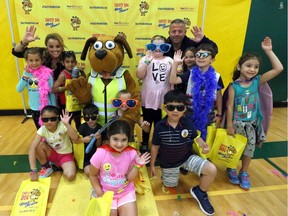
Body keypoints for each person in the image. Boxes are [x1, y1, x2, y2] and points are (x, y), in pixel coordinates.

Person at [226, 37, 283, 190]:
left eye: (256, 67)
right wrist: (229, 126)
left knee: (249, 149)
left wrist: (269, 51)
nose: (252, 69)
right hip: (237, 124)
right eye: (248, 66)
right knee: (234, 148)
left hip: (252, 124)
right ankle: (231, 167)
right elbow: (230, 107)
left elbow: (278, 69)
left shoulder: (258, 81)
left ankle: (244, 172)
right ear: (239, 67)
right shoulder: (234, 86)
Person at [150, 90, 217, 215]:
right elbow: (155, 146)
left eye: (179, 107)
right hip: (169, 163)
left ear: (185, 109)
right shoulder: (159, 126)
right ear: (164, 108)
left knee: (211, 169)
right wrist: (153, 165)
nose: (175, 111)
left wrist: (203, 145)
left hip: (187, 158)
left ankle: (200, 192)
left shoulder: (187, 123)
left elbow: (196, 137)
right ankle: (178, 170)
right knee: (171, 185)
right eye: (171, 107)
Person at [89, 120, 151, 216]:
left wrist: (137, 165)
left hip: (125, 192)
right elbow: (92, 175)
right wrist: (100, 194)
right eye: (115, 139)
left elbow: (130, 179)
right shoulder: (100, 153)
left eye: (124, 140)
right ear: (109, 137)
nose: (119, 144)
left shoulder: (132, 153)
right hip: (105, 192)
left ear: (128, 139)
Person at [170, 43, 224, 137]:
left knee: (204, 140)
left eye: (204, 55)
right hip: (189, 113)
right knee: (186, 138)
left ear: (212, 60)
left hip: (208, 115)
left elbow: (219, 96)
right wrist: (175, 63)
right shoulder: (189, 74)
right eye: (198, 55)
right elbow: (172, 80)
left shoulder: (217, 76)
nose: (200, 57)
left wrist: (219, 114)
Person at [136, 35, 173, 152]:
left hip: (163, 97)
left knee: (160, 122)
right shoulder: (145, 59)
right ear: (150, 46)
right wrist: (146, 61)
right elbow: (139, 75)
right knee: (147, 121)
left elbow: (173, 79)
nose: (158, 49)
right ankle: (145, 142)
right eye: (154, 46)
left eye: (161, 46)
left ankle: (158, 143)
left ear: (166, 47)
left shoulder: (169, 60)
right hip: (148, 97)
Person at [29, 105, 79, 181]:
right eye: (45, 119)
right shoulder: (42, 130)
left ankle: (59, 165)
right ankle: (47, 167)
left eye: (53, 119)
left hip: (65, 156)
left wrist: (67, 124)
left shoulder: (63, 126)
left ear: (57, 118)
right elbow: (32, 148)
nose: (49, 122)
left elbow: (75, 138)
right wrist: (33, 171)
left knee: (70, 176)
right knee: (38, 145)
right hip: (52, 154)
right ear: (41, 119)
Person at [16, 48, 56, 129]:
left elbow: (51, 92)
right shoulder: (27, 75)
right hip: (34, 108)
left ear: (42, 60)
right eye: (31, 60)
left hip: (47, 108)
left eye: (37, 60)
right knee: (40, 130)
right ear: (27, 61)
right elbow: (19, 89)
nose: (34, 63)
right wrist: (25, 75)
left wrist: (54, 108)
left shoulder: (47, 75)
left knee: (50, 129)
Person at [52, 51, 86, 129]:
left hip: (76, 103)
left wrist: (82, 71)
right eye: (67, 62)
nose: (70, 64)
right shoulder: (63, 75)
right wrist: (67, 87)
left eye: (72, 62)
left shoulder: (77, 73)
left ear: (75, 63)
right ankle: (68, 139)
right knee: (67, 124)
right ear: (63, 63)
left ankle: (79, 138)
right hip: (66, 104)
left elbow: (84, 81)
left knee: (78, 122)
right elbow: (54, 89)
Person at [76, 104, 102, 176]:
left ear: (97, 116)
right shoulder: (82, 127)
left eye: (93, 118)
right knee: (89, 172)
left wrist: (99, 138)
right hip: (85, 156)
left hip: (96, 155)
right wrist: (83, 140)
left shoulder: (100, 128)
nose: (90, 121)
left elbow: (98, 145)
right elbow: (76, 140)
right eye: (87, 118)